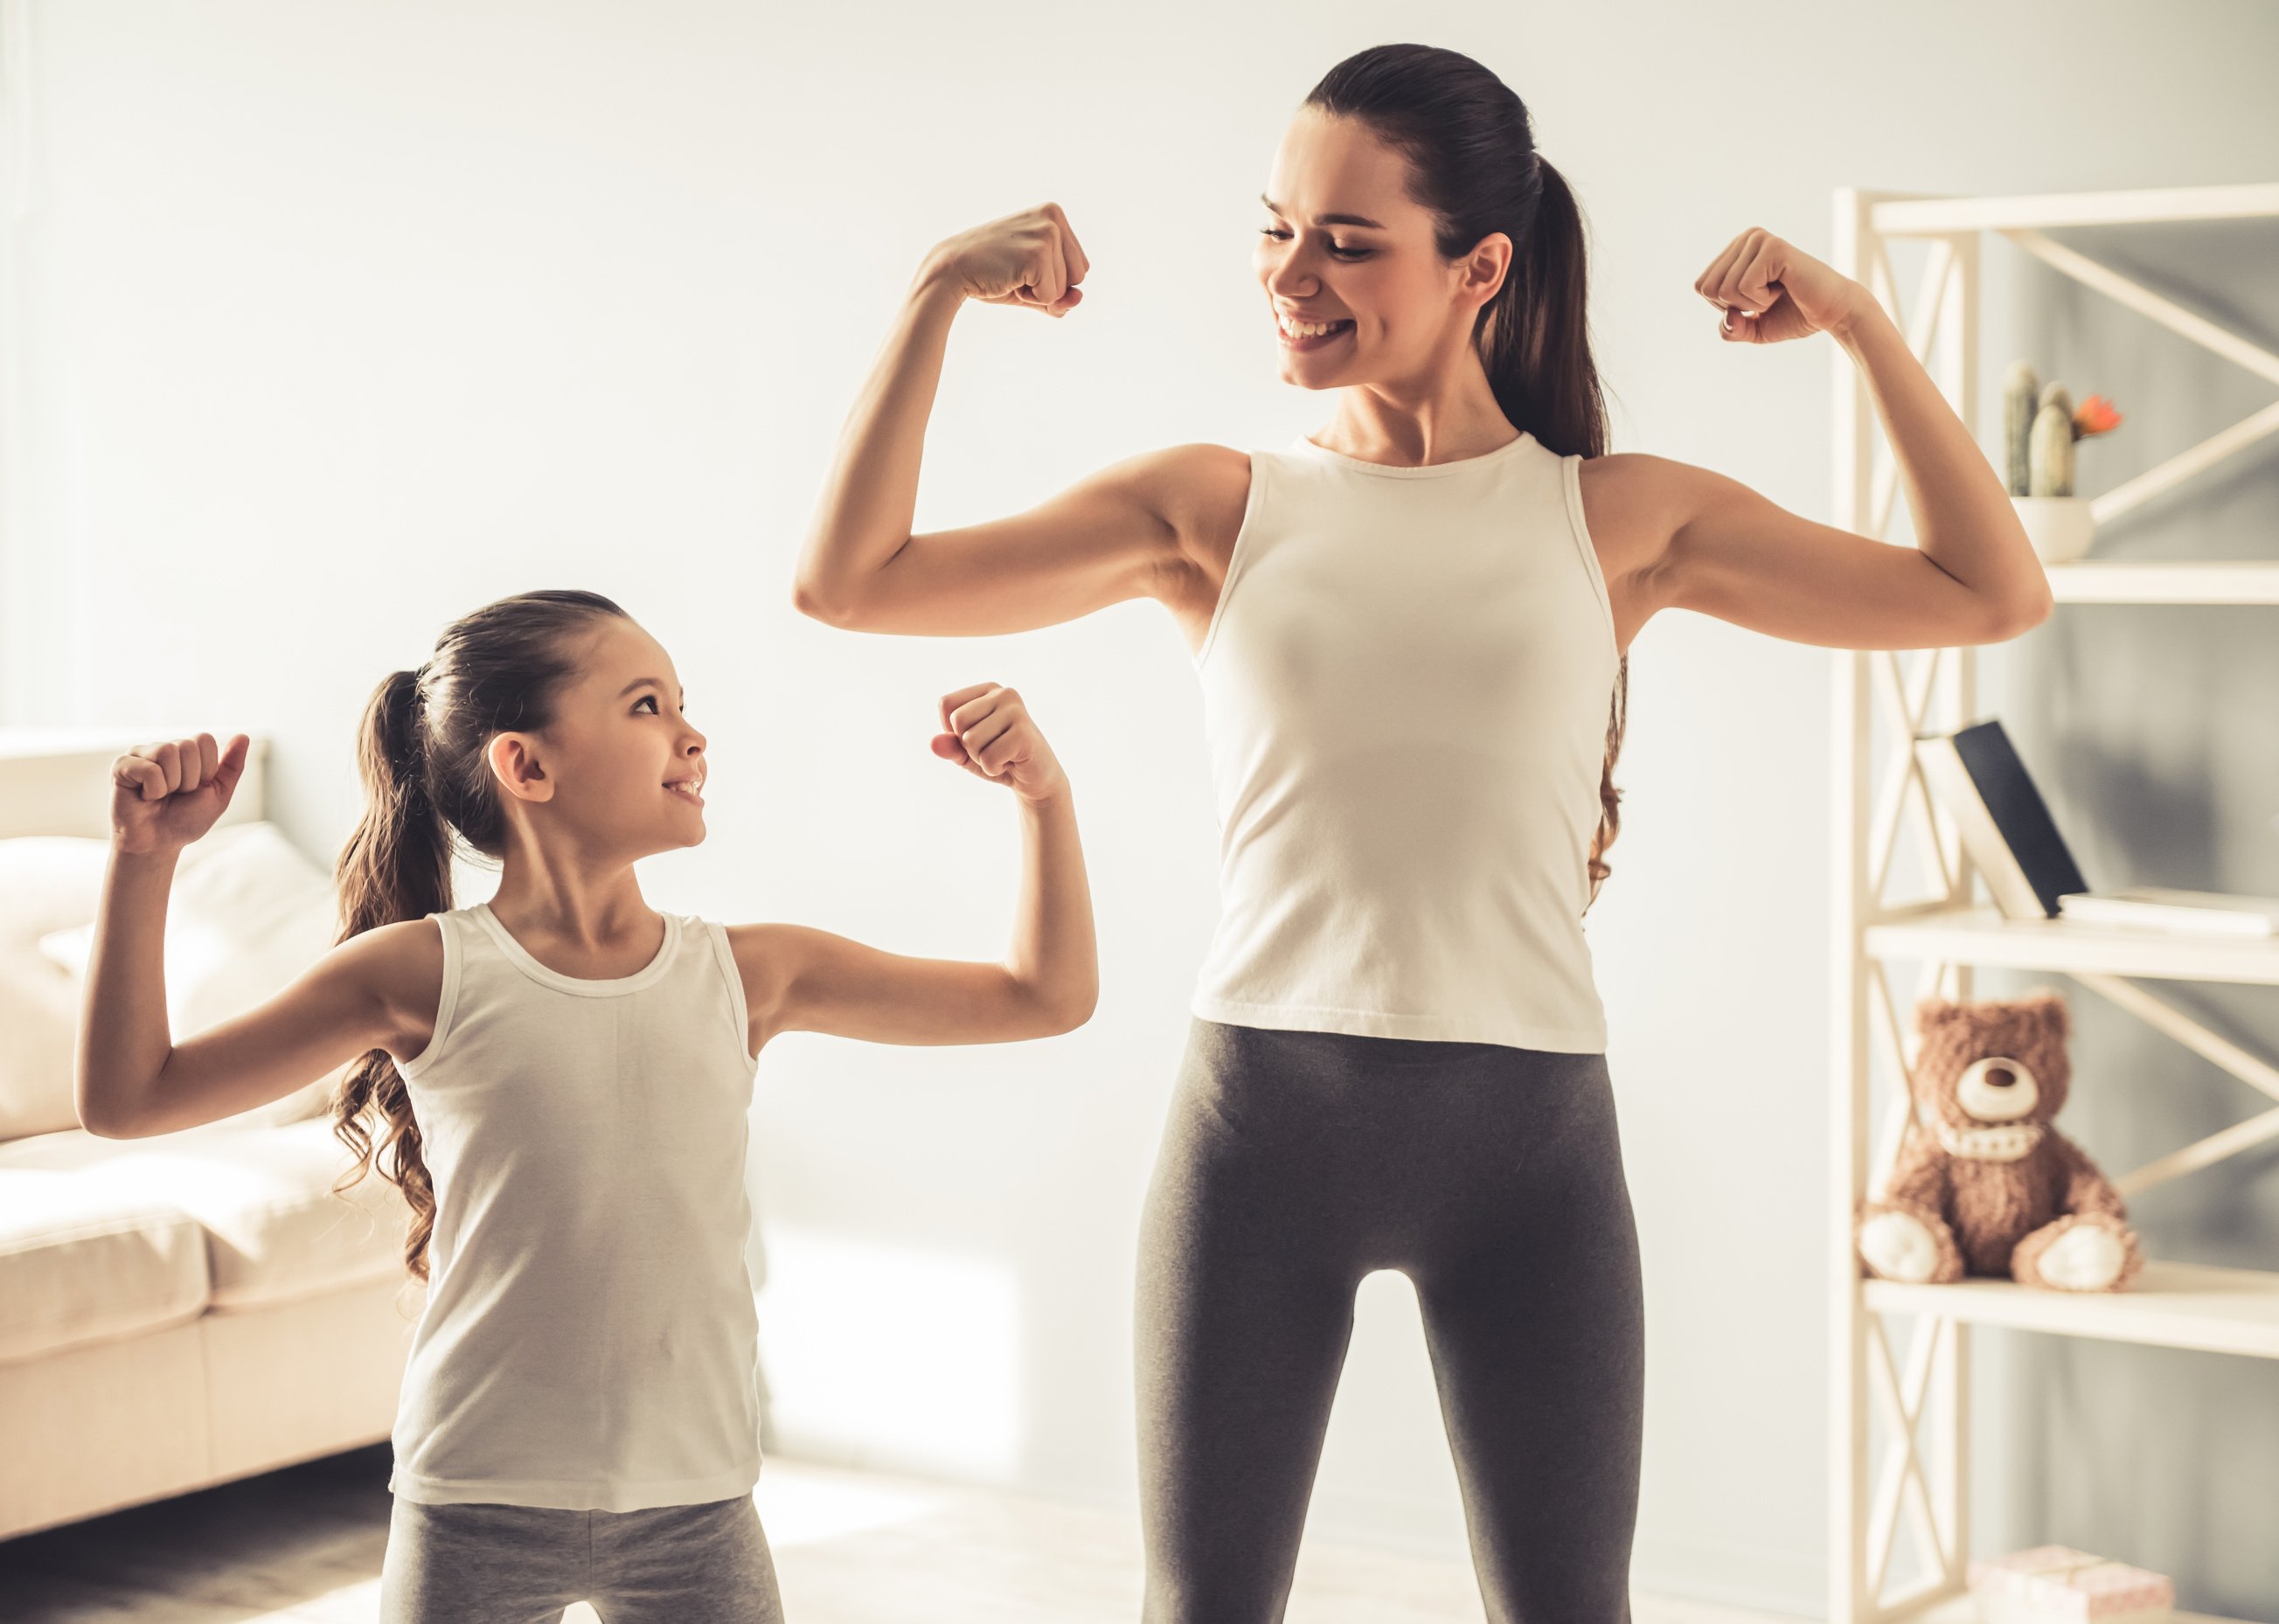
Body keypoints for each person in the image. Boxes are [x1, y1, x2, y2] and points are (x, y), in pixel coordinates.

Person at [791, 42, 2048, 1624]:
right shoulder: (1212, 506)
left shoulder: (1617, 518)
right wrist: (931, 294)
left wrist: (1859, 321)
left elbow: (1988, 592)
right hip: (1256, 1126)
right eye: (1274, 227)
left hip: (1528, 1155)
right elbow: (852, 580)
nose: (1288, 276)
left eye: (1344, 240)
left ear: (1481, 266)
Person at [74, 588, 1097, 1624]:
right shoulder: (422, 972)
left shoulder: (753, 973)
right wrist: (145, 859)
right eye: (648, 705)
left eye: (681, 703)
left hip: (696, 1504)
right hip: (472, 1499)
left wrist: (1043, 798)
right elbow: (130, 1097)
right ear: (527, 765)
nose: (693, 733)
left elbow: (1044, 995)